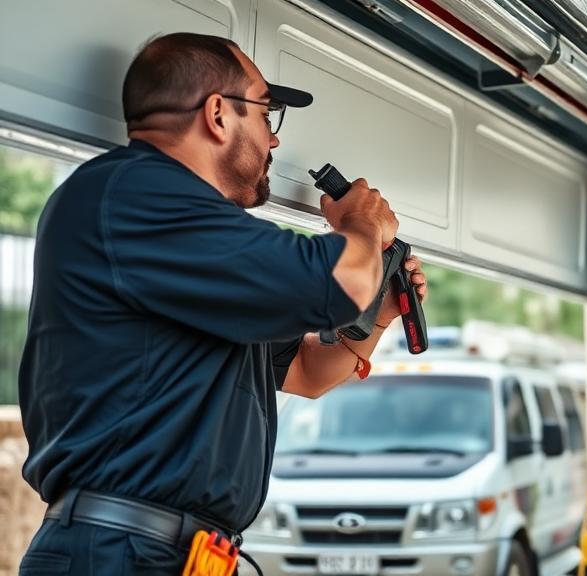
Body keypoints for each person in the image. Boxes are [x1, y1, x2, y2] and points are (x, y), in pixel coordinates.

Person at [17, 32, 426, 575]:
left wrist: (377, 313)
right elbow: (337, 282)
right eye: (266, 114)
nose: (274, 142)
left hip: (172, 554)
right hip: (120, 552)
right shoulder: (133, 194)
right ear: (217, 114)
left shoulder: (199, 243)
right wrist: (364, 226)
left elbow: (307, 370)